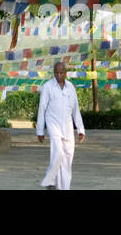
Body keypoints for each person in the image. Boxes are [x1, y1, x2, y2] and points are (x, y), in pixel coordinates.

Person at [36, 61, 86, 190]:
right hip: (53, 125)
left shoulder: (71, 88)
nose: (59, 75)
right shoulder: (47, 87)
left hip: (68, 127)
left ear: (65, 73)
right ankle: (49, 180)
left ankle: (63, 187)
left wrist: (80, 129)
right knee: (57, 153)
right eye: (56, 73)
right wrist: (40, 131)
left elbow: (76, 110)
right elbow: (42, 108)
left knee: (67, 160)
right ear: (54, 73)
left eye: (61, 72)